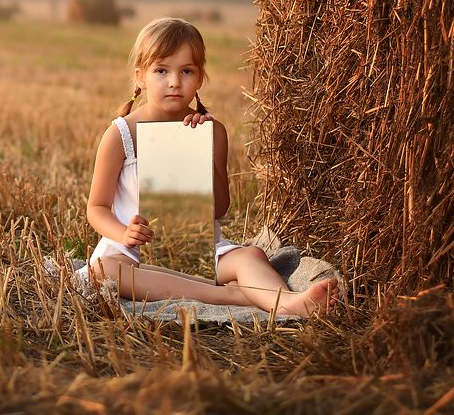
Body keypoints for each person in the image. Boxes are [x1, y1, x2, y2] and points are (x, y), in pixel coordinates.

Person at [79, 17, 337, 317]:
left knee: (249, 256)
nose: (174, 81)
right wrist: (123, 234)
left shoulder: (213, 132)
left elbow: (220, 209)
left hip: (203, 250)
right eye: (161, 70)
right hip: (132, 253)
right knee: (104, 271)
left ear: (200, 78)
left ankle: (289, 303)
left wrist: (203, 149)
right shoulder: (121, 134)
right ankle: (235, 297)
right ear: (140, 76)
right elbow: (96, 208)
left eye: (186, 71)